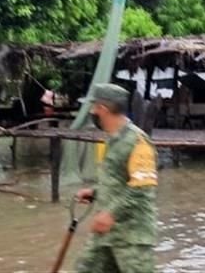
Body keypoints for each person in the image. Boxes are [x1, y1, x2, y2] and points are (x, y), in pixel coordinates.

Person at [74, 83, 158, 273]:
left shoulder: (138, 142)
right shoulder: (111, 140)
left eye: (94, 107)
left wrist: (110, 213)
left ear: (102, 109)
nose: (92, 112)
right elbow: (118, 179)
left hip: (132, 235)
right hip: (106, 233)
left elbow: (142, 189)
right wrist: (95, 192)